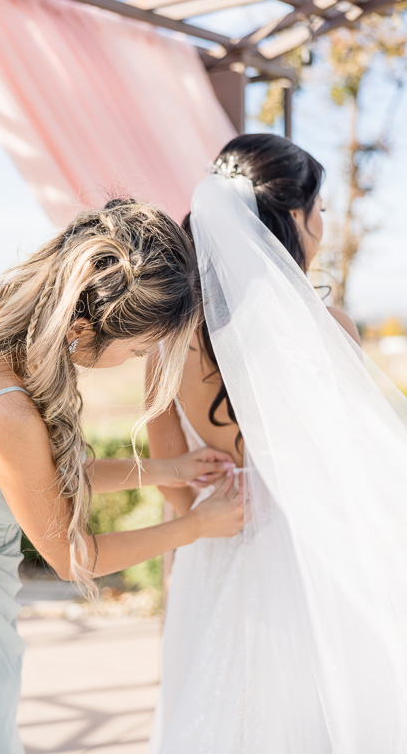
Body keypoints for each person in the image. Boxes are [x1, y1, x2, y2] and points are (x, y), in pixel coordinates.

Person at [0, 198, 246, 754]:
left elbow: (42, 479)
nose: (134, 362)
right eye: (134, 351)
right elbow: (74, 556)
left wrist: (166, 469)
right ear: (81, 329)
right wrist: (196, 526)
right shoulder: (4, 407)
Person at [147, 135, 407, 753]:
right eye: (318, 210)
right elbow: (356, 469)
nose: (322, 225)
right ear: (291, 219)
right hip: (305, 548)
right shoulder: (326, 329)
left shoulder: (166, 342)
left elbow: (166, 471)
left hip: (213, 543)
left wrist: (204, 530)